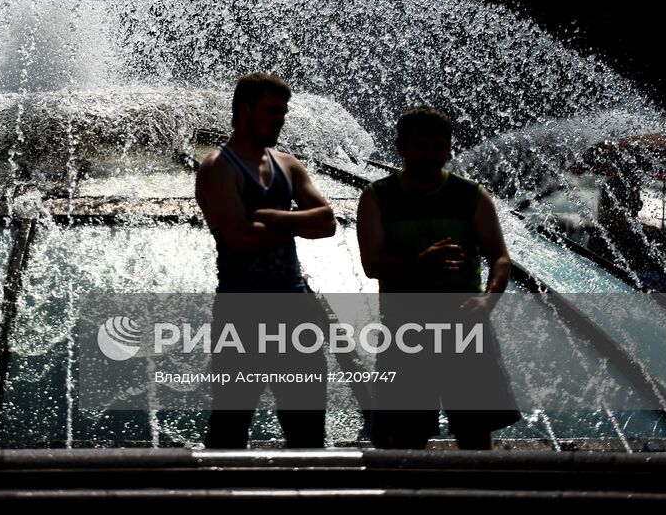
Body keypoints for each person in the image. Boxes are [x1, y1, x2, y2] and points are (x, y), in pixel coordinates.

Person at [356, 104, 520, 449]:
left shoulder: (471, 196)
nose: (431, 155)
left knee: (475, 435)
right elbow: (372, 265)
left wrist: (487, 300)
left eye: (439, 146)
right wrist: (421, 262)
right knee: (405, 438)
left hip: (465, 331)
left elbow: (501, 259)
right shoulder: (377, 198)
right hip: (406, 332)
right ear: (401, 148)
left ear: (448, 147)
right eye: (421, 146)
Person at [194, 73, 337, 448]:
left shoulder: (288, 165)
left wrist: (273, 217)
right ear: (245, 109)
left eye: (283, 111)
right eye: (273, 110)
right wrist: (296, 221)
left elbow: (327, 222)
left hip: (295, 311)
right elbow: (240, 239)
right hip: (242, 315)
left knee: (307, 427)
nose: (281, 119)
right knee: (231, 424)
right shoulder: (217, 169)